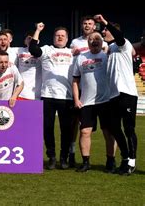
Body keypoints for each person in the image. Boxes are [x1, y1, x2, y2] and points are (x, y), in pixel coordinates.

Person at [97, 14, 138, 175]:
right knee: (114, 128)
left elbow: (119, 37)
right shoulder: (110, 49)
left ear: (114, 31)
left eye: (105, 30)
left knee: (129, 128)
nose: (103, 32)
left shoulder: (124, 44)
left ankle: (132, 162)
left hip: (126, 93)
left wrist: (105, 21)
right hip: (112, 96)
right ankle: (125, 158)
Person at [29, 24, 75, 170]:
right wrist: (38, 30)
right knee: (47, 128)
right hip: (47, 95)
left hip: (66, 96)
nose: (60, 37)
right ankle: (52, 157)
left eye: (63, 35)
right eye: (57, 35)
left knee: (66, 129)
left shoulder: (73, 52)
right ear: (53, 38)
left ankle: (64, 158)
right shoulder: (47, 49)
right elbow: (33, 49)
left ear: (67, 39)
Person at [72, 32, 112, 172]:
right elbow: (75, 80)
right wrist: (76, 99)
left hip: (106, 101)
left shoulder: (107, 56)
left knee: (108, 133)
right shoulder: (81, 58)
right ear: (87, 42)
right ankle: (85, 162)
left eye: (97, 39)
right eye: (91, 39)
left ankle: (110, 162)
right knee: (85, 132)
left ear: (102, 42)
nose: (94, 41)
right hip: (86, 102)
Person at [16, 26, 42, 100]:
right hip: (21, 93)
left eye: (33, 38)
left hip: (37, 93)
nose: (31, 40)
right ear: (24, 41)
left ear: (38, 41)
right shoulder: (18, 50)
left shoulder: (43, 52)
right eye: (29, 38)